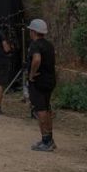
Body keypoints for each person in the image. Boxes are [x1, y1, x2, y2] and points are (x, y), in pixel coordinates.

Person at [26, 19, 57, 152]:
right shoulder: (49, 45)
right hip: (49, 80)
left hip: (38, 81)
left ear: (33, 31)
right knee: (47, 108)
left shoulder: (35, 45)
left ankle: (46, 141)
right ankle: (50, 139)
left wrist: (32, 74)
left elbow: (37, 59)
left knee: (41, 110)